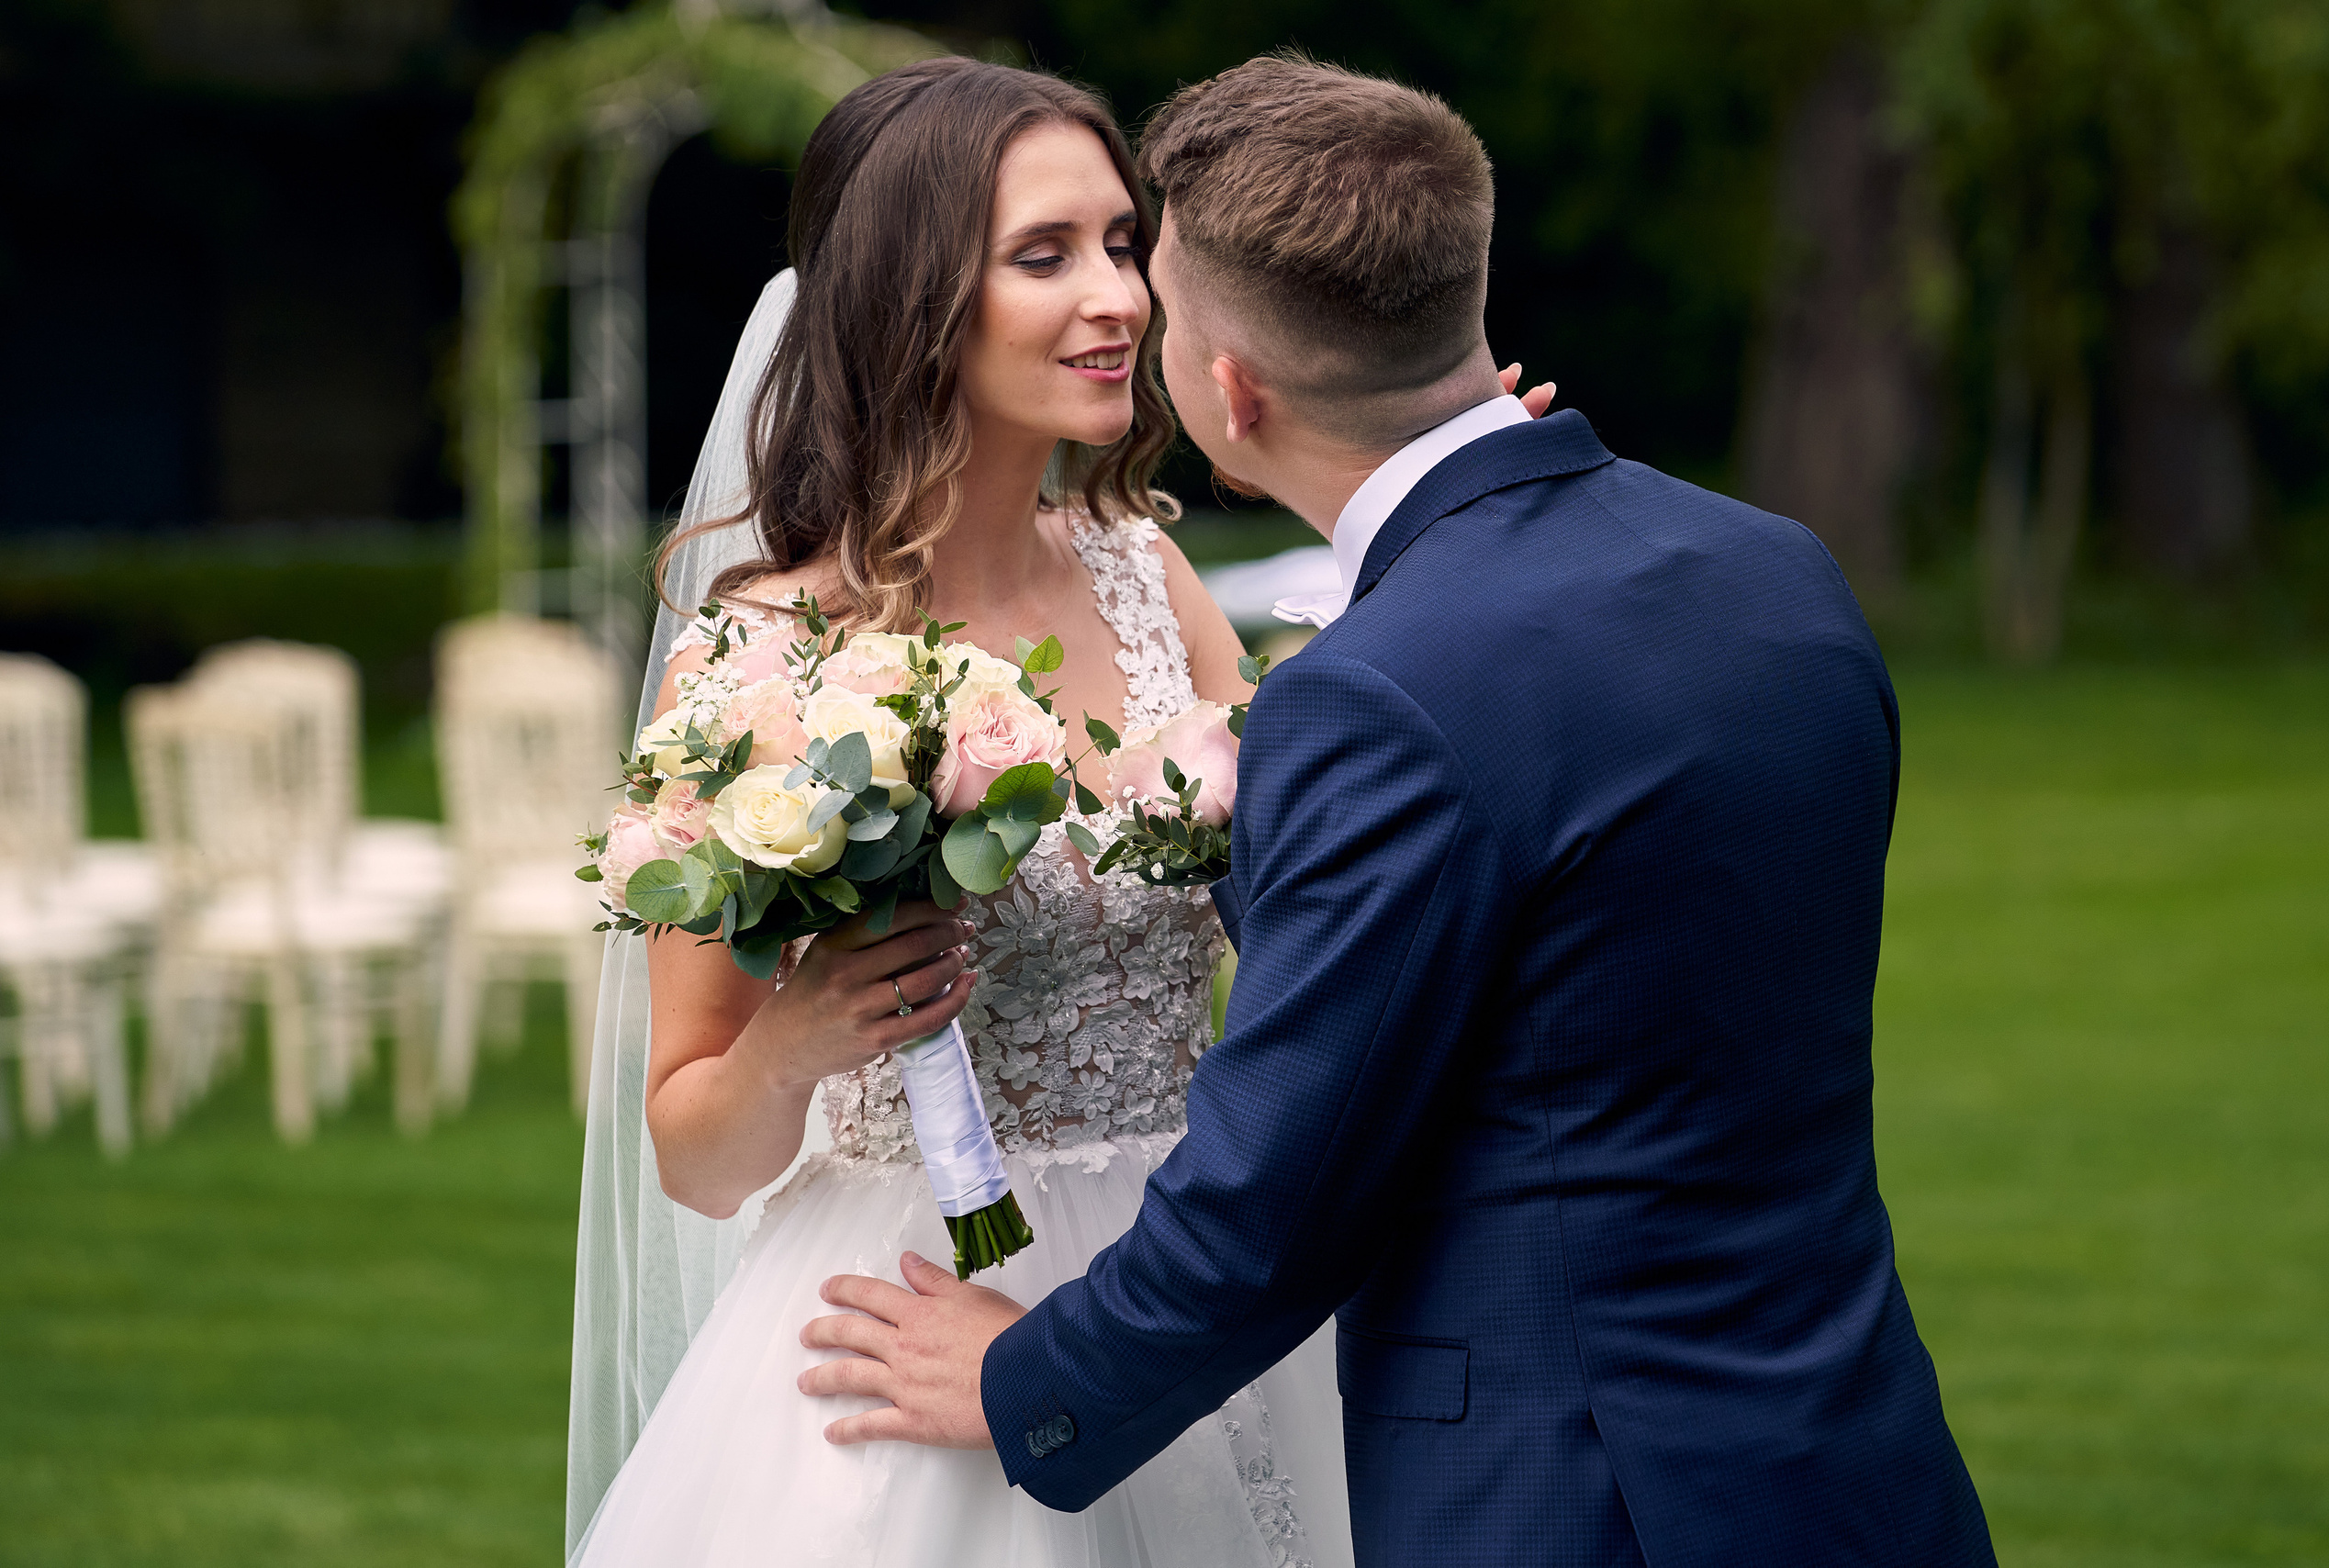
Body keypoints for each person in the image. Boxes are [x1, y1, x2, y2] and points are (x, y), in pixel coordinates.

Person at [800, 54, 2001, 1568]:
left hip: (1580, 1502)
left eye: (1149, 289)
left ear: (1232, 390)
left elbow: (1269, 1206)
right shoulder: (1776, 577)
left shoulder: (1383, 697)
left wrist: (1014, 1378)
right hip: (1853, 1466)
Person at [567, 55, 1399, 1568]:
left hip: (1183, 1276)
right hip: (908, 1308)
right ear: (912, 300)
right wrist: (797, 1046)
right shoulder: (767, 660)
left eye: (1124, 245)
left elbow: (1303, 902)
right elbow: (689, 1150)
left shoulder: (1145, 575)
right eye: (1046, 256)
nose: (1120, 298)